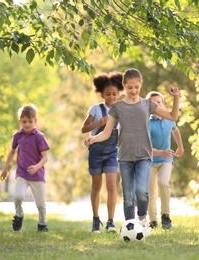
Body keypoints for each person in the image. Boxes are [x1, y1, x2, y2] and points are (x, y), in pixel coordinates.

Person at [84, 68, 180, 227]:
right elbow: (107, 133)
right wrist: (92, 139)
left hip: (143, 156)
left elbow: (172, 116)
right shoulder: (117, 107)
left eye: (136, 87)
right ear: (124, 85)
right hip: (125, 157)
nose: (133, 91)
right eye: (130, 87)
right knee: (128, 196)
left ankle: (142, 220)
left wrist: (176, 98)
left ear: (141, 85)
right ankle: (129, 225)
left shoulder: (147, 104)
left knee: (142, 192)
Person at [81, 72, 124, 233]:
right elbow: (84, 128)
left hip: (113, 152)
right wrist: (99, 123)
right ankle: (95, 219)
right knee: (96, 186)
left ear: (119, 93)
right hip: (96, 152)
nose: (111, 97)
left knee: (112, 185)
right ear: (101, 94)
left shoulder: (122, 109)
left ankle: (111, 221)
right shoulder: (96, 109)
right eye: (108, 94)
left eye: (114, 94)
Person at [0, 104, 50, 232]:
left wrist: (37, 167)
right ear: (20, 121)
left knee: (40, 204)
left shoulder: (39, 137)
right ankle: (19, 215)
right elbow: (12, 152)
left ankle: (42, 224)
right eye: (24, 121)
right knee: (18, 197)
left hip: (37, 175)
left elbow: (45, 157)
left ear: (35, 121)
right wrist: (5, 168)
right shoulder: (18, 135)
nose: (27, 124)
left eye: (30, 121)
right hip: (22, 173)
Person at [145, 91, 184, 230]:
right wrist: (159, 152)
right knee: (151, 191)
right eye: (152, 103)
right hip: (150, 161)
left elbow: (176, 130)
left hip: (166, 160)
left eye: (159, 102)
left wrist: (180, 146)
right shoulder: (147, 122)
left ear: (163, 104)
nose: (156, 105)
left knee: (163, 183)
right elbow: (146, 146)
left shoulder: (169, 119)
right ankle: (153, 220)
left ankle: (166, 216)